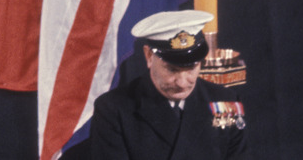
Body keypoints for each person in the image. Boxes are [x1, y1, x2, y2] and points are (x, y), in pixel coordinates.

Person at [90, 10, 248, 160]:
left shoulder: (226, 101)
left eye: (192, 68)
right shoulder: (113, 109)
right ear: (149, 56)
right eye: (172, 70)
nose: (182, 82)